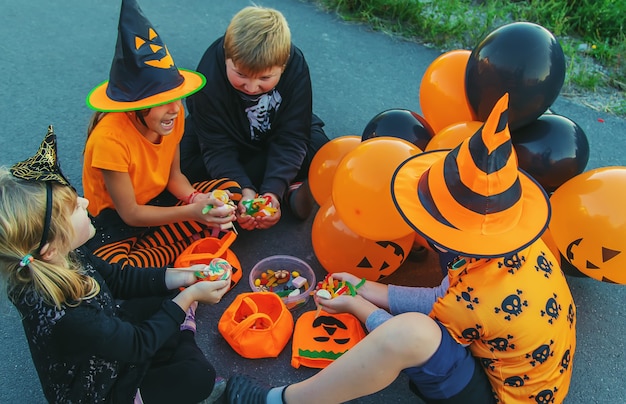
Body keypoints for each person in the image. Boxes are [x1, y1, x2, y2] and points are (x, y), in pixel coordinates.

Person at [225, 94, 577, 403]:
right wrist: (364, 287)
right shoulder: (514, 249)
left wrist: (356, 303)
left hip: (500, 397)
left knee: (410, 331)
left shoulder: (473, 301)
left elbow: (404, 339)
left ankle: (284, 401)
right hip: (532, 381)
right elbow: (448, 295)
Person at [0, 128, 229, 403]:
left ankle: (176, 334)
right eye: (74, 207)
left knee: (164, 292)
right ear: (50, 249)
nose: (85, 202)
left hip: (109, 340)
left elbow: (120, 278)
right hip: (100, 390)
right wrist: (189, 296)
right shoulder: (68, 314)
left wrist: (185, 275)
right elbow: (136, 345)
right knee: (197, 375)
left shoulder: (64, 254)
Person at [83, 0, 241, 268]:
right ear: (135, 107)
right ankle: (178, 250)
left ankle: (168, 254)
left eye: (177, 98)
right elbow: (130, 214)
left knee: (230, 192)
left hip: (161, 201)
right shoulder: (109, 140)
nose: (176, 109)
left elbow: (174, 176)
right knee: (121, 268)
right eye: (163, 101)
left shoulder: (172, 119)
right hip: (118, 223)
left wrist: (194, 198)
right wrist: (190, 213)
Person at [180, 5, 329, 230]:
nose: (251, 87)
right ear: (226, 56)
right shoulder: (210, 74)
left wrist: (271, 195)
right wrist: (244, 192)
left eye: (265, 78)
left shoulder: (295, 64)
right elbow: (216, 146)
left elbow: (293, 135)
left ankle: (277, 185)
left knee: (322, 148)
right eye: (240, 75)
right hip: (227, 138)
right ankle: (288, 183)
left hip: (275, 132)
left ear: (284, 65)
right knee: (181, 163)